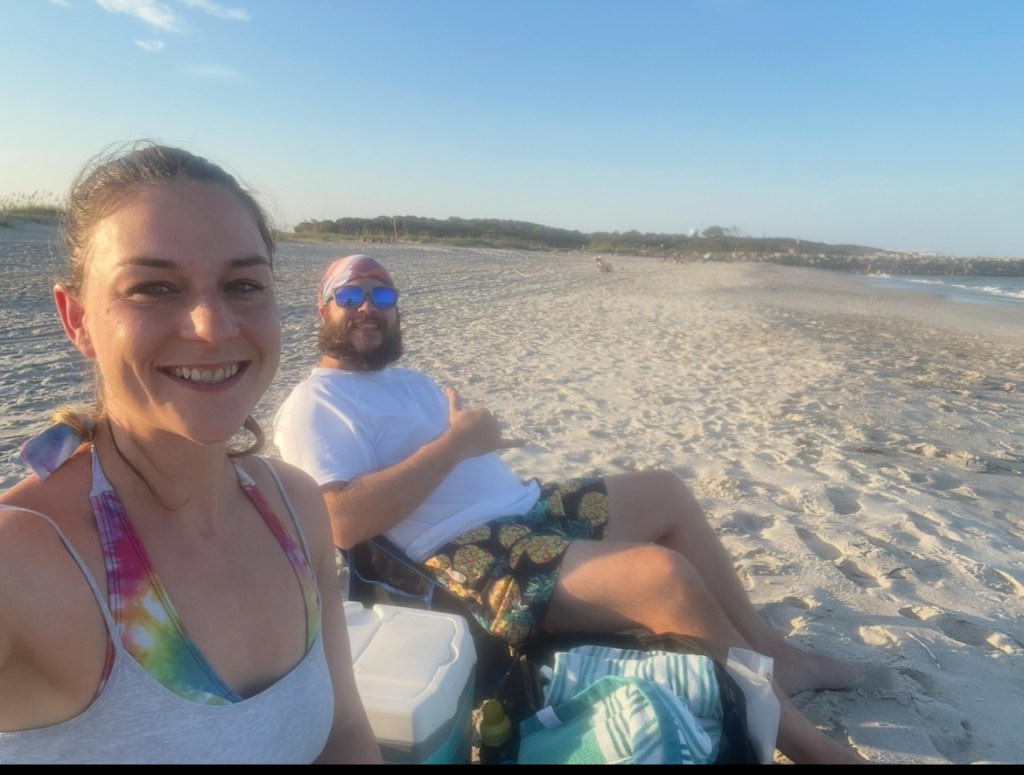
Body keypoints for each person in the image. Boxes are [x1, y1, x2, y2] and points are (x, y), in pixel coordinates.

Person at [273, 254, 874, 765]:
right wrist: (457, 443)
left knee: (664, 489)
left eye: (381, 293)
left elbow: (452, 451)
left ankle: (778, 657)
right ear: (321, 309)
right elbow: (340, 521)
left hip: (527, 508)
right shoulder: (316, 401)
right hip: (472, 555)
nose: (367, 306)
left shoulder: (409, 381)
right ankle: (809, 747)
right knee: (663, 577)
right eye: (349, 294)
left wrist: (467, 439)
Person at [0, 144, 382, 764]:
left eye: (243, 284)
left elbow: (344, 736)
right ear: (78, 320)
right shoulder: (24, 561)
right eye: (153, 288)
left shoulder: (295, 504)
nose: (212, 325)